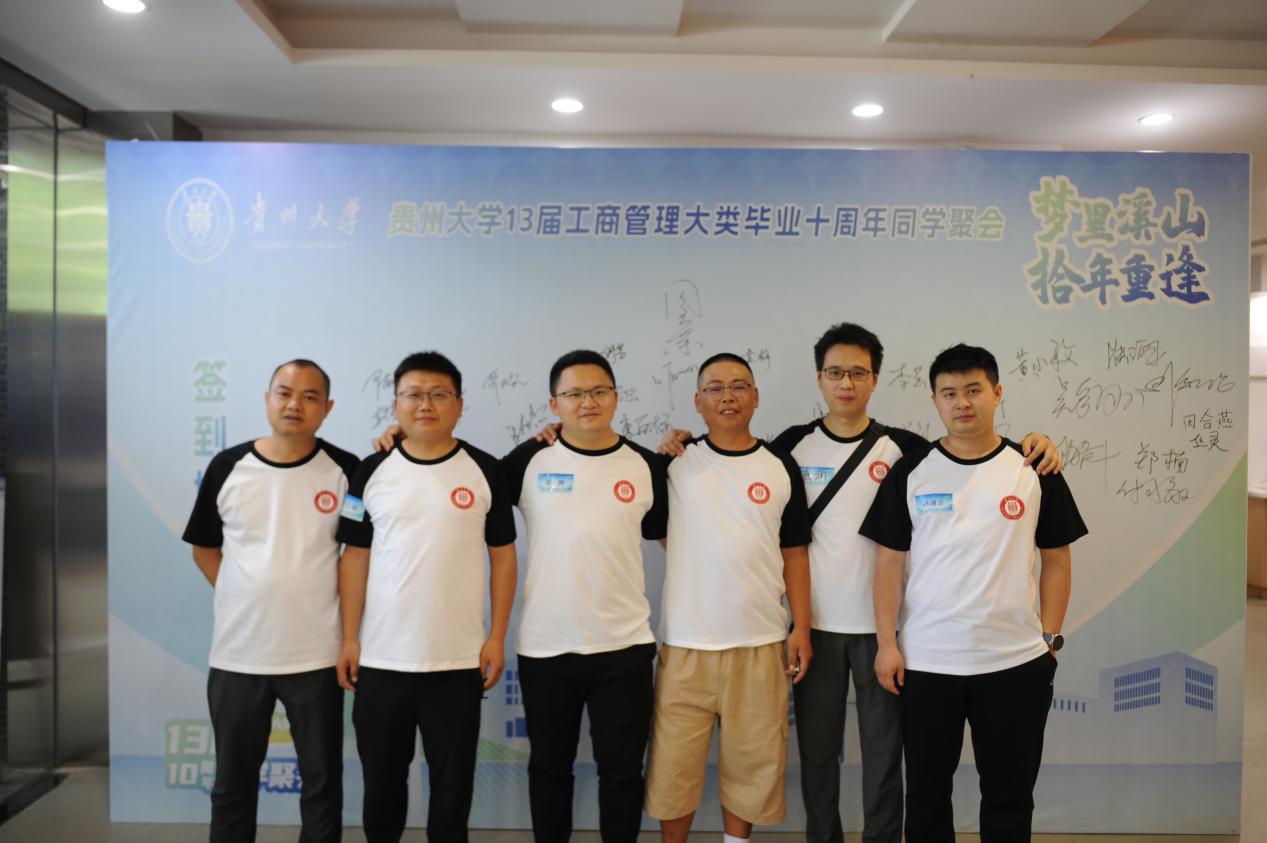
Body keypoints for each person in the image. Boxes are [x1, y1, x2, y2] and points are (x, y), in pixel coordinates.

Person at [659, 325, 1062, 843]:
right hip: (813, 628)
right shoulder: (787, 449)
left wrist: (1037, 442)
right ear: (819, 379)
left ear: (874, 379)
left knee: (885, 756)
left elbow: (966, 459)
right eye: (835, 373)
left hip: (885, 634)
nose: (845, 383)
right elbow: (737, 483)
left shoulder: (905, 451)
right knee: (818, 755)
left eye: (857, 373)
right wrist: (674, 445)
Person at [861, 343, 1087, 843]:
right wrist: (886, 643)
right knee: (926, 798)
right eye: (949, 393)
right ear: (935, 401)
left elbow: (1057, 558)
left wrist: (1050, 641)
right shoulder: (911, 472)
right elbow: (888, 563)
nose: (962, 402)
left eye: (973, 390)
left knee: (1010, 798)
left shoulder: (1034, 468)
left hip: (1014, 663)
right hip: (927, 662)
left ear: (997, 393)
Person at [336, 351, 517, 843]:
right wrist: (349, 639)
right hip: (381, 659)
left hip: (457, 661)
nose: (426, 405)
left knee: (452, 789)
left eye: (439, 395)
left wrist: (497, 636)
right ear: (396, 403)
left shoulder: (485, 470)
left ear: (459, 403)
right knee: (381, 788)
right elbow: (354, 557)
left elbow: (503, 557)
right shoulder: (369, 471)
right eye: (413, 395)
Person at [183, 358, 356, 843]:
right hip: (239, 655)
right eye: (284, 393)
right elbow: (204, 548)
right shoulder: (228, 467)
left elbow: (359, 554)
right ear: (267, 399)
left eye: (309, 396)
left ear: (327, 408)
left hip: (317, 656)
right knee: (232, 784)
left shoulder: (347, 471)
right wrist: (242, 594)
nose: (294, 404)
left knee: (322, 782)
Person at [643, 352, 811, 843]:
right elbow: (658, 530)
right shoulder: (673, 463)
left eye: (738, 386)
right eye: (714, 388)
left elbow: (795, 553)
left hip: (760, 643)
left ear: (756, 397)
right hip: (686, 645)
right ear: (698, 402)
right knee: (674, 767)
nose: (727, 396)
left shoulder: (779, 465)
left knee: (752, 765)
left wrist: (801, 626)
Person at [500, 349, 667, 843]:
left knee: (622, 773)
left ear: (615, 397)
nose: (587, 402)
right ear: (554, 404)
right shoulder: (527, 460)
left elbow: (672, 538)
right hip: (547, 647)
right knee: (549, 769)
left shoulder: (646, 465)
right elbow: (460, 480)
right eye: (574, 394)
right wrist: (400, 439)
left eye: (598, 391)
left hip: (624, 647)